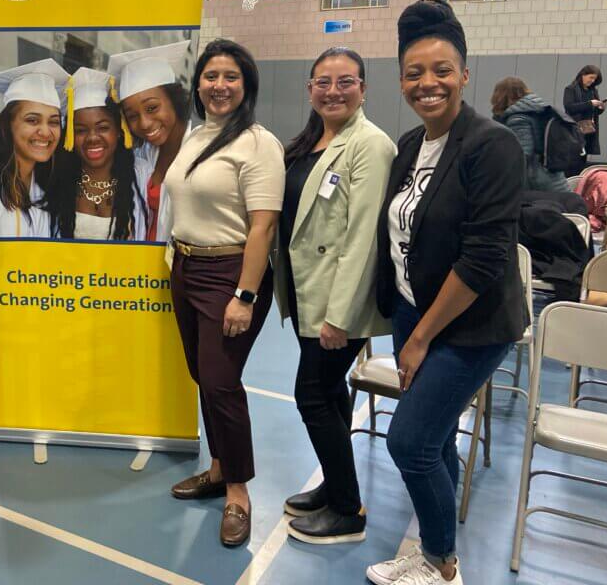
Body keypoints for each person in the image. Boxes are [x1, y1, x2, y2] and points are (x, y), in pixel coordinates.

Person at [367, 0, 524, 585]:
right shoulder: (410, 146)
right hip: (416, 314)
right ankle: (437, 550)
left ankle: (442, 564)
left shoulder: (492, 145)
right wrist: (402, 322)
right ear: (402, 80)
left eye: (441, 70)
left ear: (464, 73)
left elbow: (485, 258)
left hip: (470, 327)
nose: (427, 83)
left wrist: (420, 338)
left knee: (408, 442)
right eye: (414, 73)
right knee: (433, 439)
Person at [165, 39, 283, 548]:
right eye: (211, 76)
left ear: (246, 85)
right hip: (187, 268)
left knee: (220, 382)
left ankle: (238, 491)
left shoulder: (258, 143)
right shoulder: (195, 136)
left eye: (230, 77)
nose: (219, 85)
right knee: (202, 374)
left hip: (231, 273)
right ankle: (217, 468)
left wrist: (246, 295)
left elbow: (263, 228)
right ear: (198, 84)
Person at [274, 47, 395, 545]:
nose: (333, 90)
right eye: (323, 81)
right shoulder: (309, 142)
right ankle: (334, 483)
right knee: (329, 392)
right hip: (308, 289)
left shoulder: (371, 145)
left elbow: (362, 236)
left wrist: (339, 316)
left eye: (346, 81)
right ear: (310, 89)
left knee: (311, 394)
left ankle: (348, 510)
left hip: (336, 302)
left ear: (363, 88)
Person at [47, 67, 148, 240]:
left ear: (118, 130)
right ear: (69, 135)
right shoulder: (57, 179)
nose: (92, 138)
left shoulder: (141, 175)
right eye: (80, 130)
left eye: (103, 128)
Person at [109, 41, 193, 242]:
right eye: (132, 116)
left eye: (152, 108)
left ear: (174, 99)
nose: (144, 123)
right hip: (144, 267)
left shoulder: (198, 148)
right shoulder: (144, 154)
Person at [0, 60, 70, 238]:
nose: (45, 132)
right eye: (32, 120)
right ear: (8, 124)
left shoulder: (48, 183)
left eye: (53, 122)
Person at [490, 77, 568, 193]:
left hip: (536, 180)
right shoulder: (537, 110)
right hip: (553, 173)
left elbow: (522, 154)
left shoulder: (518, 119)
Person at [563, 64, 605, 172]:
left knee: (583, 160)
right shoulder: (570, 89)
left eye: (594, 79)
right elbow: (569, 107)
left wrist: (600, 107)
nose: (592, 81)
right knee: (573, 160)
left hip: (589, 130)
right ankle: (570, 183)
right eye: (591, 77)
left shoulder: (593, 91)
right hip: (575, 130)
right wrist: (589, 103)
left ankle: (578, 184)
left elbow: (595, 111)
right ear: (583, 75)